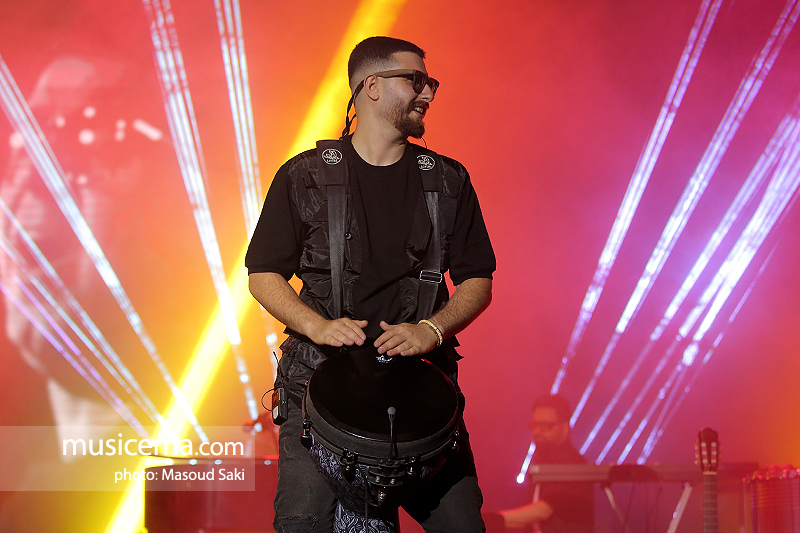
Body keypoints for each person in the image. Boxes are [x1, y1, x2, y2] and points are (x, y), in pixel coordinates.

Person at [245, 36, 496, 533]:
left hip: (421, 388)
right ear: (372, 86)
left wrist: (432, 330)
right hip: (318, 386)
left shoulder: (449, 180)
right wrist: (316, 326)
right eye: (416, 80)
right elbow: (262, 274)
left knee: (463, 526)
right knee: (302, 524)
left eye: (431, 83)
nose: (428, 93)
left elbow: (478, 280)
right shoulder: (304, 175)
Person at [498, 394, 594, 533]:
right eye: (534, 425)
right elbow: (528, 522)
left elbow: (544, 511)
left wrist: (492, 519)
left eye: (544, 426)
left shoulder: (574, 464)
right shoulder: (543, 465)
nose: (537, 432)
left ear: (565, 428)